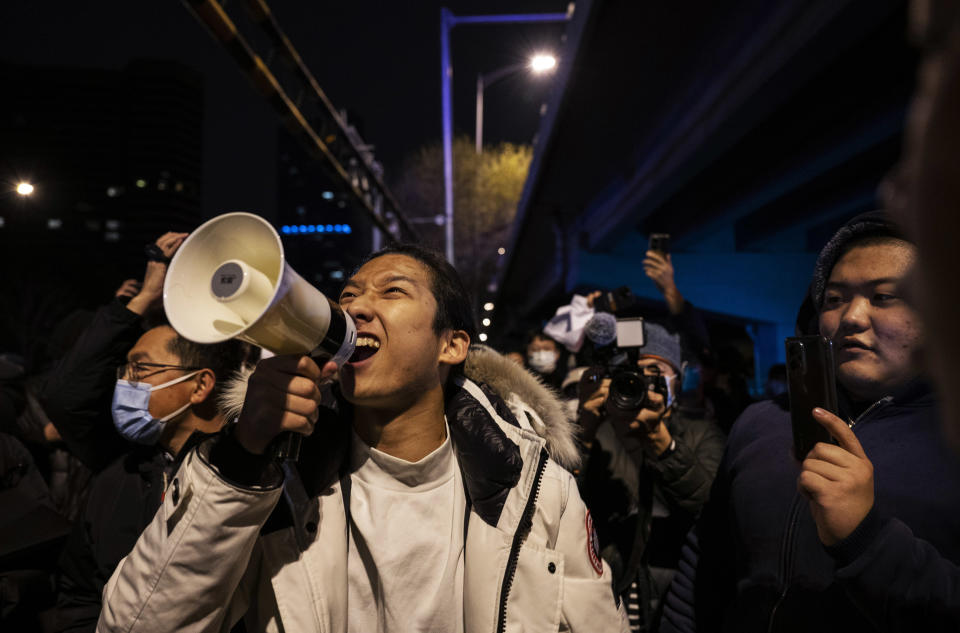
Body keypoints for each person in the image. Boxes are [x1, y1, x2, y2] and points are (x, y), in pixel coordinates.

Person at [98, 243, 628, 632]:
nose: (354, 307)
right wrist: (242, 459)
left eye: (393, 291)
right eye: (347, 295)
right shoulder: (277, 480)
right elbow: (136, 625)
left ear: (453, 345)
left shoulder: (534, 485)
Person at [661, 212, 960, 632]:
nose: (851, 317)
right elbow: (706, 559)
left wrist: (865, 540)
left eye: (885, 297)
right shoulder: (761, 422)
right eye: (834, 299)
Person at [53, 325, 248, 632]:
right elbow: (78, 592)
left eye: (140, 368)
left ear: (200, 385)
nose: (125, 381)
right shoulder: (118, 476)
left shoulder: (246, 479)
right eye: (126, 368)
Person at [576, 322, 724, 632]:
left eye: (654, 370)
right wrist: (584, 430)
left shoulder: (702, 433)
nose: (640, 382)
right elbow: (563, 504)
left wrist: (659, 438)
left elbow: (710, 510)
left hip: (675, 593)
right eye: (633, 373)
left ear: (677, 380)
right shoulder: (604, 433)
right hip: (604, 589)